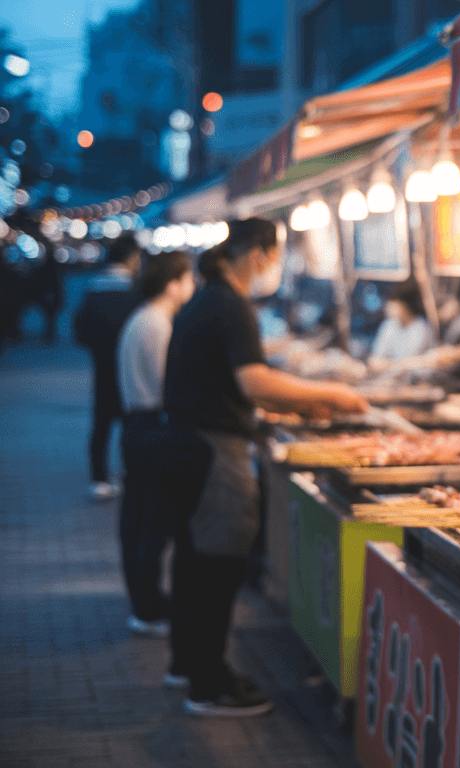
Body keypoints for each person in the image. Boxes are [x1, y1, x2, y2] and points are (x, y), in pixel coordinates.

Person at [162, 218, 368, 717]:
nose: (274, 267)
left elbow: (227, 383)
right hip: (213, 451)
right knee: (218, 561)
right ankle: (209, 684)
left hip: (190, 442)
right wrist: (331, 395)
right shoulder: (231, 306)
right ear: (256, 254)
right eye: (274, 256)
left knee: (195, 557)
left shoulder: (208, 297)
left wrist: (299, 407)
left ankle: (189, 664)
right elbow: (253, 382)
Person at [116, 251, 196, 637]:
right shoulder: (156, 325)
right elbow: (172, 384)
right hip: (152, 428)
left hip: (138, 428)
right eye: (188, 278)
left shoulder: (145, 319)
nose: (192, 286)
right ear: (173, 283)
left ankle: (145, 602)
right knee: (153, 523)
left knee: (141, 520)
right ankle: (147, 608)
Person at [74, 235, 143, 500]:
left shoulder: (94, 288)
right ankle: (130, 474)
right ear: (131, 258)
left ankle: (99, 478)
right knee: (130, 422)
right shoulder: (135, 292)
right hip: (129, 369)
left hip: (101, 366)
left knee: (101, 424)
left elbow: (79, 330)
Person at [367, 280, 434, 371]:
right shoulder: (389, 325)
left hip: (413, 380)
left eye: (395, 302)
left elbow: (408, 362)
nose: (389, 306)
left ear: (406, 305)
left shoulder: (421, 328)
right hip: (387, 379)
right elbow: (376, 357)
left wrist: (385, 364)